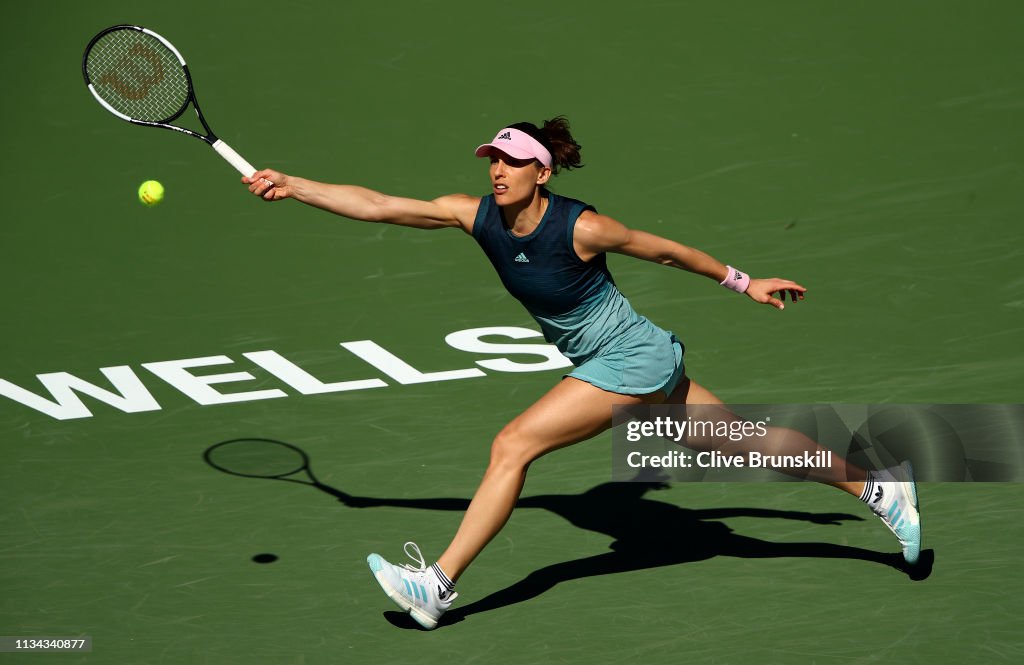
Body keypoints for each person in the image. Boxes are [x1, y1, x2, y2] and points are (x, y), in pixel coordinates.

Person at [242, 117, 922, 630]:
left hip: (630, 357)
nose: (498, 170)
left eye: (512, 161)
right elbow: (378, 204)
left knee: (514, 443)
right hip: (633, 359)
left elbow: (667, 252)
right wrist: (293, 184)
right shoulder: (471, 216)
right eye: (493, 159)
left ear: (541, 173)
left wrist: (744, 282)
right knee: (744, 441)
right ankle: (879, 487)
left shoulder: (583, 227)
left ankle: (437, 584)